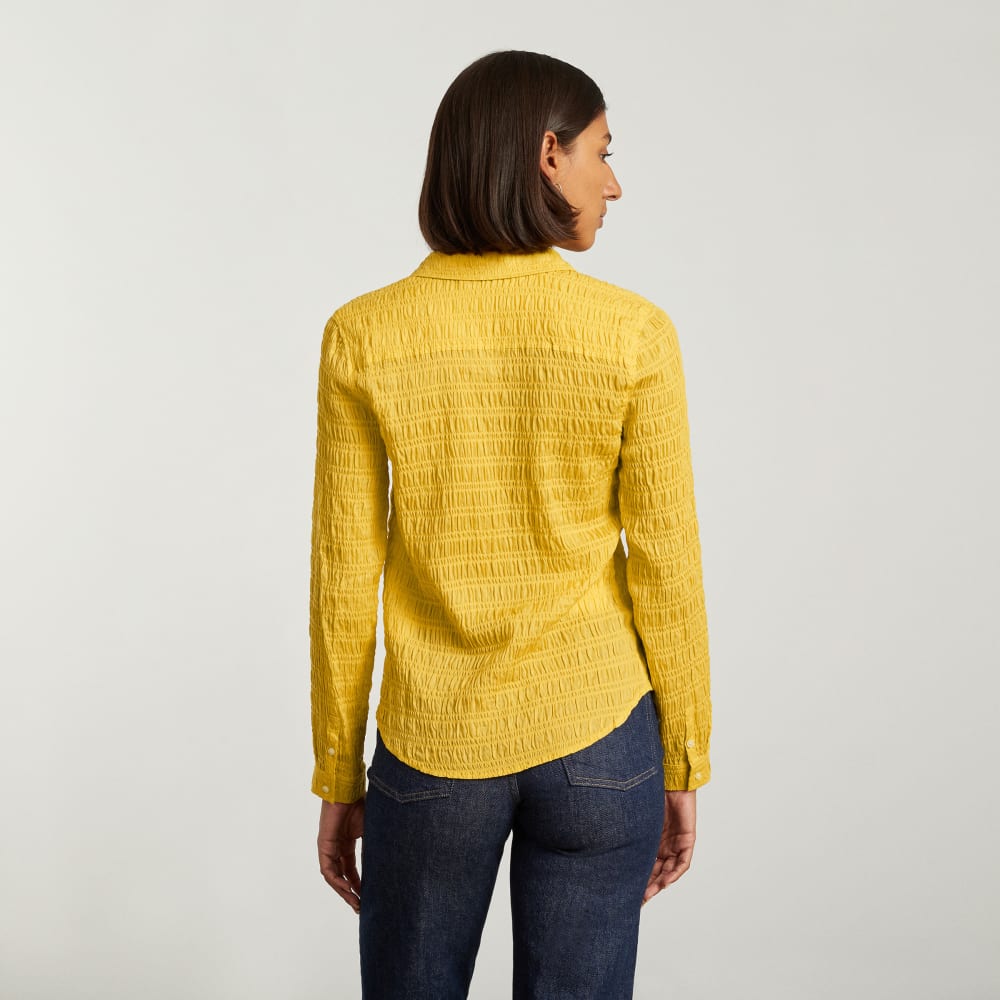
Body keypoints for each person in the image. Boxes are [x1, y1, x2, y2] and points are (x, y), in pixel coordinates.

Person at [309, 49, 712, 999]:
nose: (614, 184)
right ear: (547, 154)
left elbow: (342, 575)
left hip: (432, 749)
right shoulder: (634, 334)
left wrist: (339, 773)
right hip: (600, 742)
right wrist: (684, 757)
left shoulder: (364, 334)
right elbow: (667, 565)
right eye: (603, 152)